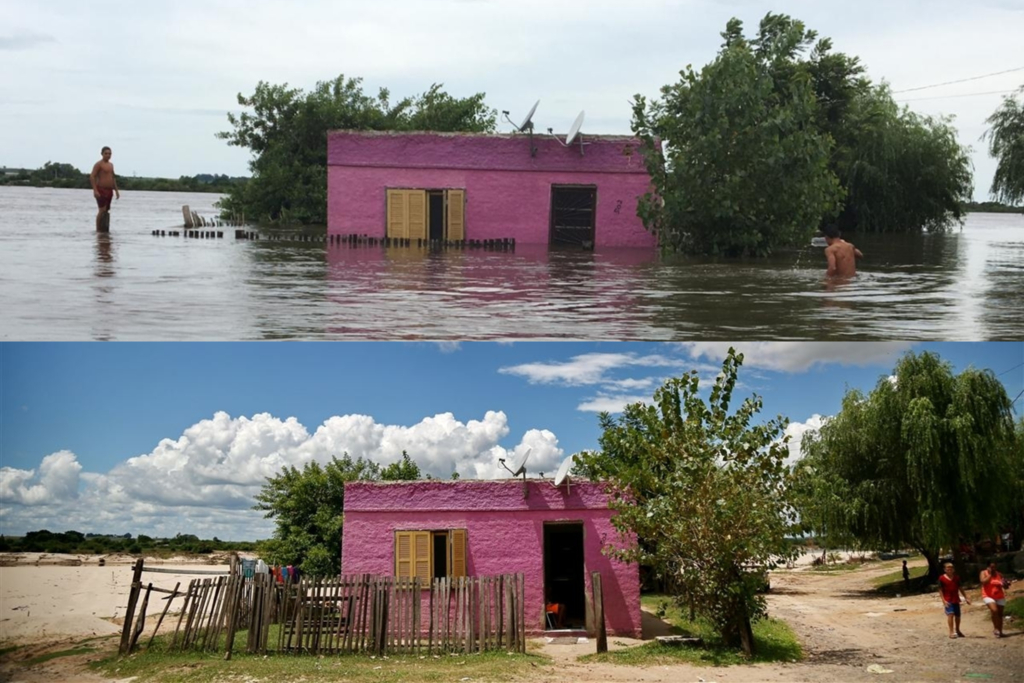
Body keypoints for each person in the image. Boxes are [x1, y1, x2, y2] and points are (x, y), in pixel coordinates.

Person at [90, 146, 120, 232]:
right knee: (101, 210)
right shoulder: (99, 164)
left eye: (109, 154)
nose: (108, 155)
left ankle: (104, 230)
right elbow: (92, 176)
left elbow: (113, 178)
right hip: (101, 189)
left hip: (109, 190)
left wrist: (116, 190)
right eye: (106, 153)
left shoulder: (111, 165)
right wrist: (95, 190)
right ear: (102, 154)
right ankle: (98, 230)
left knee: (106, 210)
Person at [938, 562, 970, 639]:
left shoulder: (956, 578)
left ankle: (958, 630)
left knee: (958, 616)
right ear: (945, 569)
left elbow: (960, 588)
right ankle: (951, 632)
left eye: (951, 568)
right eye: (948, 568)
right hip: (948, 599)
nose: (949, 570)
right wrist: (943, 600)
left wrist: (966, 597)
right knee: (950, 614)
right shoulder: (942, 578)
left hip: (955, 599)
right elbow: (940, 590)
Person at [980, 561, 1012, 637]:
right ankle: (995, 628)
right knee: (994, 610)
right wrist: (990, 574)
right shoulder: (983, 573)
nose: (993, 569)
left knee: (1000, 614)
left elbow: (1005, 586)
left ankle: (1000, 631)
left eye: (994, 567)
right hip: (988, 595)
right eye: (991, 567)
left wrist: (1006, 584)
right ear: (988, 567)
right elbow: (983, 582)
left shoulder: (999, 574)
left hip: (999, 596)